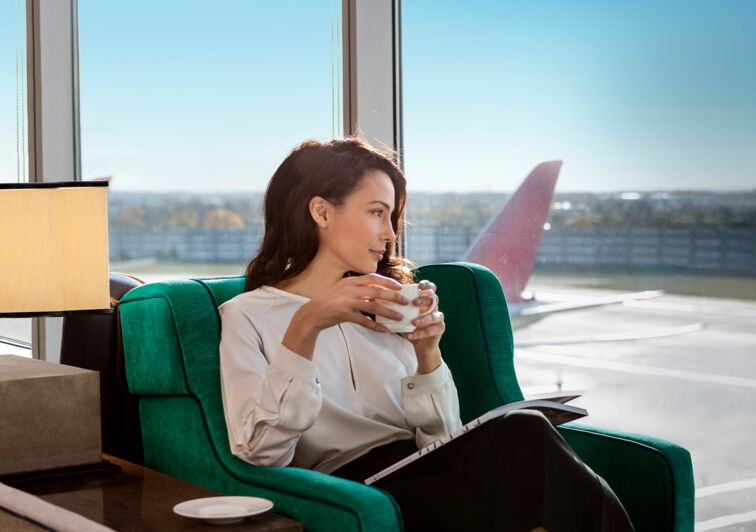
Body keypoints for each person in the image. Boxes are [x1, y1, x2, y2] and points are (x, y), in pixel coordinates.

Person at [218, 137, 633, 532]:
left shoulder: (390, 304)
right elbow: (260, 453)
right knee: (525, 435)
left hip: (426, 473)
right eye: (377, 213)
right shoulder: (247, 317)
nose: (390, 234)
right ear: (322, 212)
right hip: (355, 492)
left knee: (529, 448)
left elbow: (437, 438)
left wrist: (427, 353)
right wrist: (307, 325)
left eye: (391, 217)